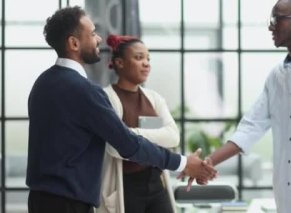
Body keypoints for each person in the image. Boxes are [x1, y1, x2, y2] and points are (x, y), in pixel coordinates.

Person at [26, 6, 216, 213]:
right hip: (69, 204)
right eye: (92, 34)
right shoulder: (85, 91)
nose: (98, 39)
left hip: (40, 200)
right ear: (74, 43)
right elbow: (127, 143)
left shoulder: (42, 83)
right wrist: (183, 163)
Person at [185, 0, 291, 212]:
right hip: (290, 203)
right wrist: (206, 163)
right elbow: (249, 129)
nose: (270, 26)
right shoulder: (276, 76)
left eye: (277, 19)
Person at [96, 34, 179, 213]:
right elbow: (115, 147)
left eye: (148, 59)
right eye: (139, 58)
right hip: (126, 186)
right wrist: (153, 138)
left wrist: (129, 133)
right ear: (119, 63)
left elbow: (173, 137)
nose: (146, 63)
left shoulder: (154, 98)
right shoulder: (106, 98)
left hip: (157, 183)